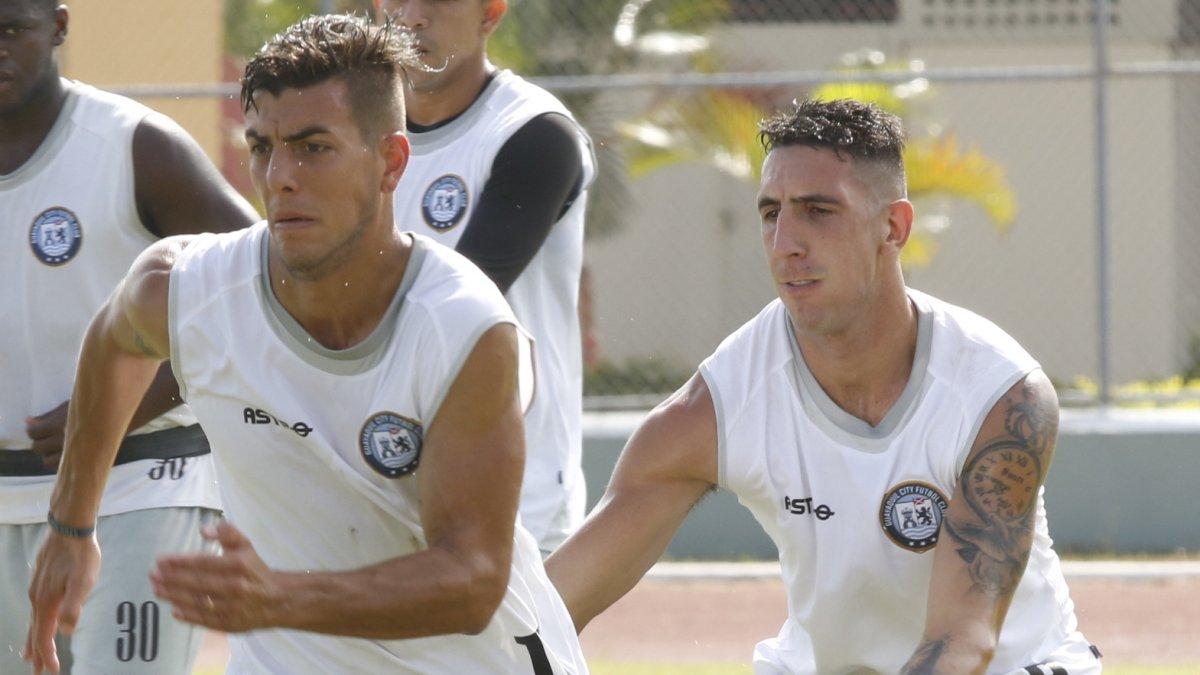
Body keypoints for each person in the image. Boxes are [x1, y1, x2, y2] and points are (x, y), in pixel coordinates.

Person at [25, 14, 587, 675]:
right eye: (262, 147)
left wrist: (282, 599)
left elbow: (472, 581)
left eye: (314, 147)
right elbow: (116, 340)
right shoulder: (184, 287)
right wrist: (71, 525)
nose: (280, 176)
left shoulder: (464, 328)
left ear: (391, 162)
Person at [546, 98, 1101, 674]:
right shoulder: (717, 407)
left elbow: (961, 641)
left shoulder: (1000, 394)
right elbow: (551, 609)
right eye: (771, 213)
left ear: (894, 226)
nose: (785, 242)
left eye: (818, 211)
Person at [1, 1, 258, 672]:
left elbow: (263, 292)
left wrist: (111, 411)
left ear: (58, 28)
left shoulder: (135, 145)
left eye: (11, 29)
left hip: (142, 478)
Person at [378, 0, 595, 554]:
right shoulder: (355, 131)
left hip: (517, 502)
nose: (412, 15)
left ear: (491, 13)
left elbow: (454, 312)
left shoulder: (535, 134)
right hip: (381, 486)